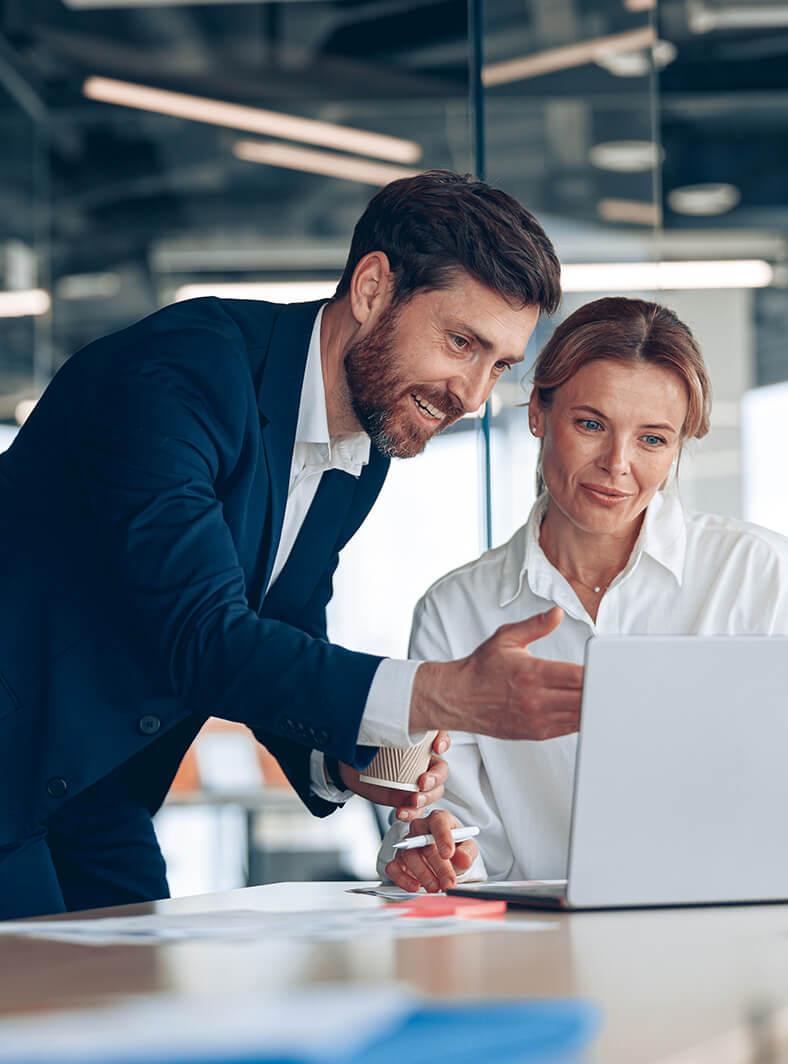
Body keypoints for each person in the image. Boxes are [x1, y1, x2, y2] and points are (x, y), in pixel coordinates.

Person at [0, 170, 585, 920]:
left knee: (134, 1022)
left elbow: (283, 621)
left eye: (498, 365)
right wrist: (442, 690)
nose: (472, 397)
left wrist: (351, 758)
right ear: (373, 288)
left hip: (95, 794)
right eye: (460, 342)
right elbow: (203, 636)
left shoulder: (365, 444)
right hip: (16, 767)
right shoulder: (177, 376)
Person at [380, 296, 788, 892]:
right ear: (539, 411)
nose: (618, 465)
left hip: (727, 936)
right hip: (535, 956)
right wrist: (435, 849)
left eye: (653, 440)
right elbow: (447, 827)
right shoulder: (456, 610)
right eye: (591, 425)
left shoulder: (759, 573)